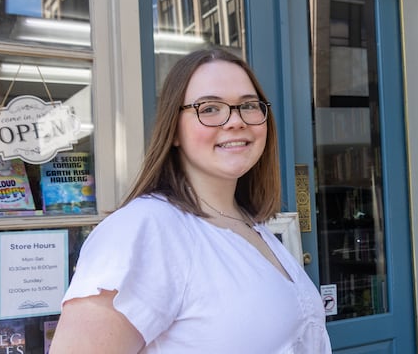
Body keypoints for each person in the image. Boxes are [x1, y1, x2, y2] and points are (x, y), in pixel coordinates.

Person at [49, 48, 332, 353]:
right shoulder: (143, 229)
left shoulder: (252, 225)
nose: (235, 121)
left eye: (248, 105)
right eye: (209, 108)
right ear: (174, 131)